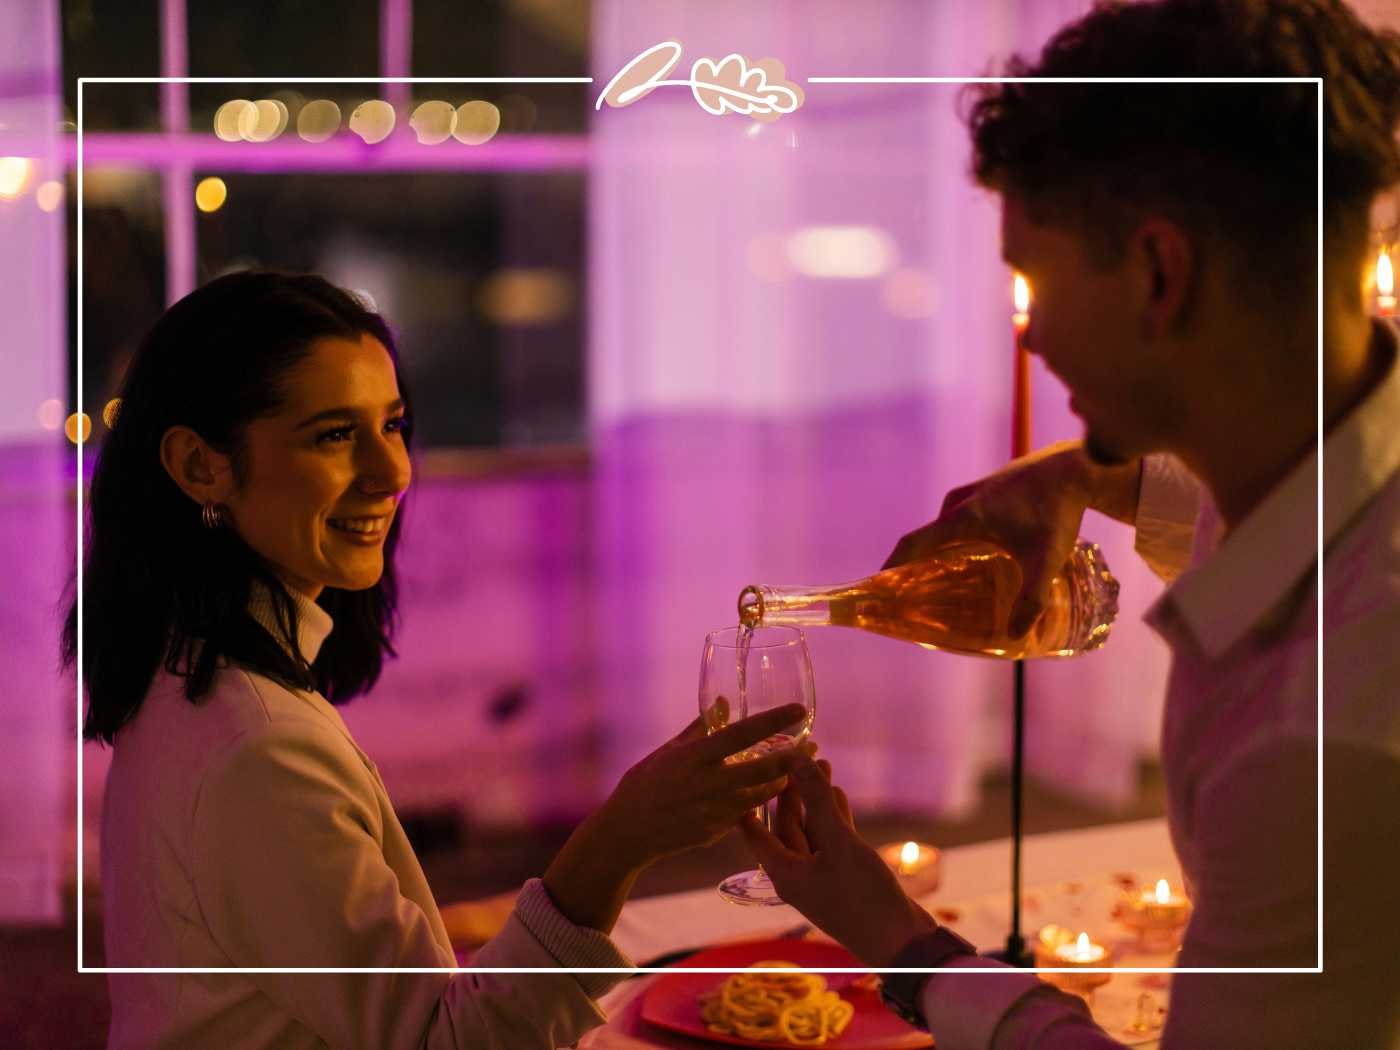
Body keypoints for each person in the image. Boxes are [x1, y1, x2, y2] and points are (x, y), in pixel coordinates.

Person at [743, 0, 1400, 1046]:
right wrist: (1082, 478)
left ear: (1155, 273)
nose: (1033, 333)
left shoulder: (1325, 732)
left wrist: (902, 947)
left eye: (1035, 278)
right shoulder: (1308, 482)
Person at [62, 271, 817, 1049]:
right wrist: (617, 844)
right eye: (332, 434)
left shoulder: (189, 673)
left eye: (392, 425)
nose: (393, 474)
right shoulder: (257, 749)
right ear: (199, 466)